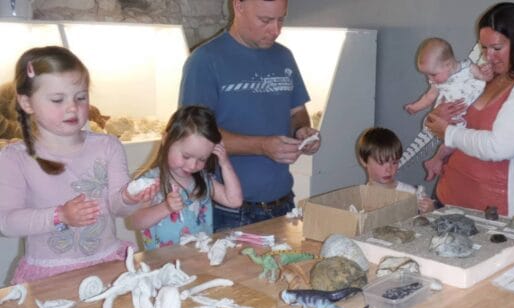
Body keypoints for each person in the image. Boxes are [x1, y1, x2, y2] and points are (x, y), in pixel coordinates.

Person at [0, 46, 156, 284]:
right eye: (57, 99)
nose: (72, 107)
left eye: (80, 97)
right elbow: (7, 222)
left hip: (108, 264)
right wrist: (59, 215)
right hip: (50, 275)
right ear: (27, 102)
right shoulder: (16, 158)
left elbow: (117, 207)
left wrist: (129, 198)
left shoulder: (108, 146)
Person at [179, 0, 320, 231]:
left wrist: (302, 132)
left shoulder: (284, 56)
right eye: (265, 20)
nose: (275, 30)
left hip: (283, 202)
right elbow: (195, 138)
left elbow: (297, 112)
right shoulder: (205, 60)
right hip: (228, 210)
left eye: (281, 19)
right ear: (238, 6)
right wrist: (262, 146)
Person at [424, 2, 514, 222]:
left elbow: (498, 147)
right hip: (447, 198)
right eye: (483, 47)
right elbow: (447, 116)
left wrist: (448, 132)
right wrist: (440, 115)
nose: (489, 56)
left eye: (497, 48)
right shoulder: (483, 76)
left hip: (497, 217)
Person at [129, 106, 243, 250]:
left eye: (202, 159)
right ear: (166, 140)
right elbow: (135, 221)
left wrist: (225, 164)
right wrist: (166, 207)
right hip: (162, 266)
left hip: (197, 261)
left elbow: (234, 200)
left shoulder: (203, 179)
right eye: (186, 156)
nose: (192, 165)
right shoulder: (149, 182)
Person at [404, 37, 492, 181]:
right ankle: (435, 161)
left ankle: (435, 161)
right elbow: (429, 97)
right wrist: (415, 107)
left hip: (462, 119)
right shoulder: (437, 82)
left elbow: (484, 80)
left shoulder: (469, 69)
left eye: (432, 74)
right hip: (447, 118)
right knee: (450, 141)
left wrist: (487, 74)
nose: (429, 79)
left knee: (452, 143)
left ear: (448, 64)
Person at [356, 127, 434, 213]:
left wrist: (429, 210)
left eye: (394, 163)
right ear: (364, 161)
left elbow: (425, 222)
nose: (389, 170)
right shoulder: (360, 198)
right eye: (381, 163)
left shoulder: (410, 194)